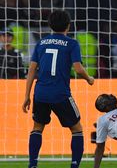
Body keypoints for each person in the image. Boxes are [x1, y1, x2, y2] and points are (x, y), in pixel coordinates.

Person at [22, 10, 95, 168]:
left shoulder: (41, 43)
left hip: (40, 93)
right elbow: (78, 68)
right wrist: (89, 79)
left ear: (50, 26)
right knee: (76, 129)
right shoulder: (72, 43)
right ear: (68, 26)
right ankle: (75, 165)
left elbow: (32, 70)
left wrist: (27, 95)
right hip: (60, 94)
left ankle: (32, 164)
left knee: (37, 128)